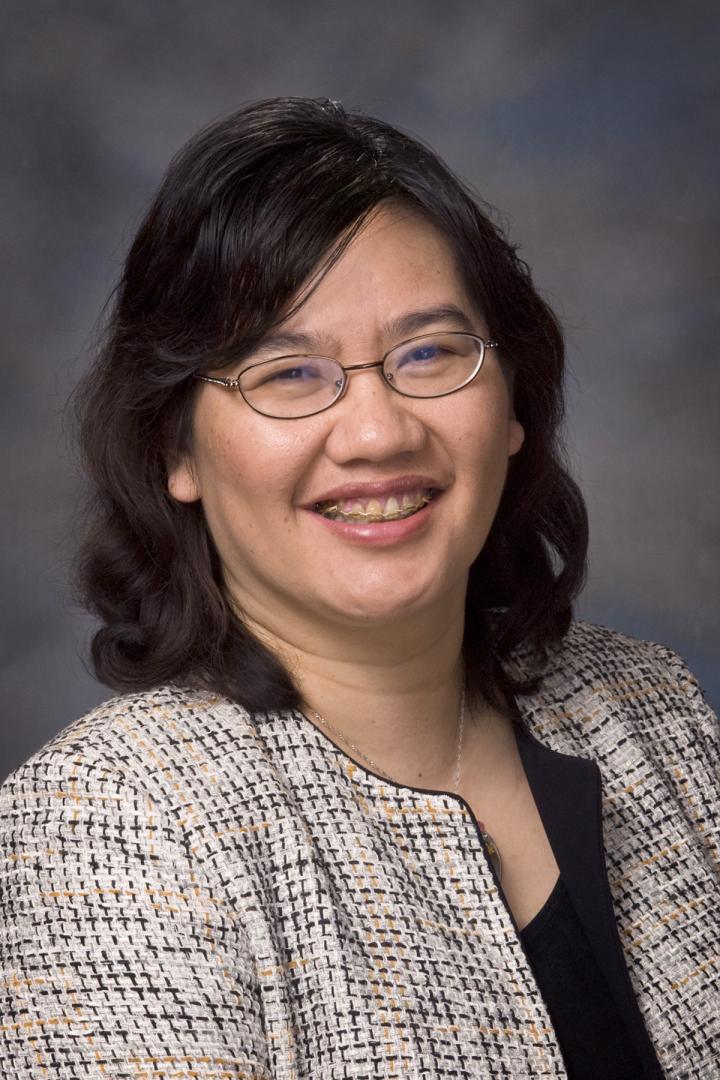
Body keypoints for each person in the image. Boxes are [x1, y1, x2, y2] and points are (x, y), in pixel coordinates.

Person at [0, 97, 717, 1080]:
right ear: (176, 448)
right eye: (289, 373)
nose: (379, 433)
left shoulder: (654, 711)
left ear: (513, 399)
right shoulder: (107, 830)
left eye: (429, 353)